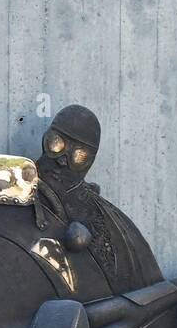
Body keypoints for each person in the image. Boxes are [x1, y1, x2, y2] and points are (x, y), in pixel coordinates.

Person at [35, 105, 158, 293]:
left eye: (78, 156)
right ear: (45, 139)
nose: (61, 160)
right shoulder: (10, 189)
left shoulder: (108, 222)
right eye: (56, 144)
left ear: (89, 160)